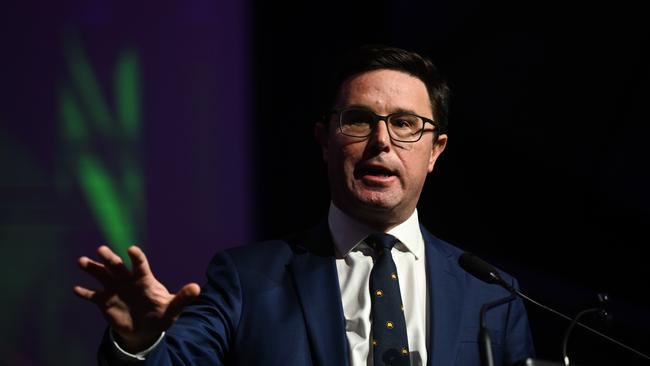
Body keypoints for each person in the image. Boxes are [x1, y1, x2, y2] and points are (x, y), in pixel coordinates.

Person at [75, 45, 535, 365]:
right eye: (358, 120)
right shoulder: (245, 280)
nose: (381, 142)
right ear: (324, 141)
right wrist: (139, 341)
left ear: (435, 150)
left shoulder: (492, 295)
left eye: (405, 124)